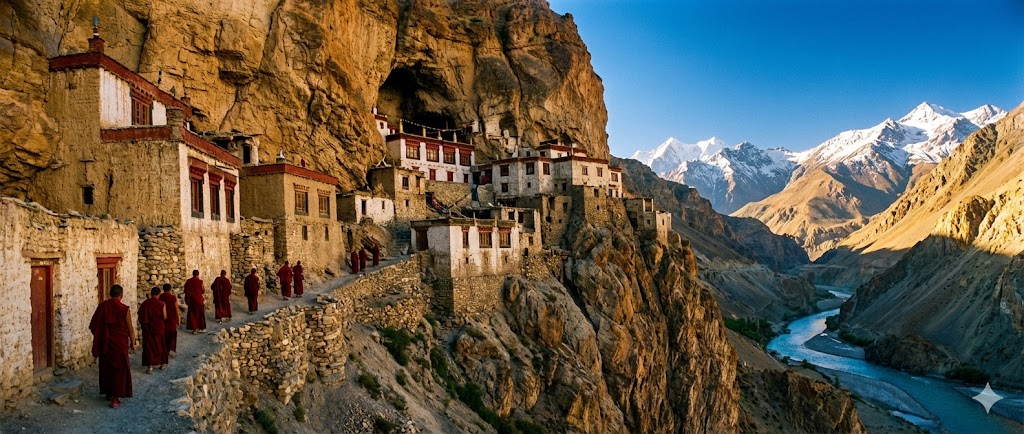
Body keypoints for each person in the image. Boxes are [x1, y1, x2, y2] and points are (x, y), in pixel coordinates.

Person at [89, 284, 136, 409]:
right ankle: (115, 398)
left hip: (106, 344)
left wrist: (102, 336)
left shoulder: (103, 307)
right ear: (121, 295)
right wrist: (133, 342)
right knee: (118, 370)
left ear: (110, 294)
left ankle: (108, 393)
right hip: (120, 344)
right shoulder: (125, 309)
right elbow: (130, 327)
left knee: (107, 368)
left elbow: (93, 325)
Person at [137, 287, 167, 373]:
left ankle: (150, 366)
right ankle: (162, 364)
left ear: (151, 293)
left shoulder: (145, 303)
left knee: (149, 346)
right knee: (160, 345)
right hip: (158, 327)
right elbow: (164, 317)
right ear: (159, 294)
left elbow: (140, 314)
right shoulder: (162, 304)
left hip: (147, 328)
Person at [158, 283, 179, 356]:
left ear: (163, 290)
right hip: (172, 318)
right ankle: (171, 349)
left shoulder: (160, 297)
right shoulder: (173, 298)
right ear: (170, 289)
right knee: (172, 334)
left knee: (165, 334)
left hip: (163, 319)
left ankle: (165, 350)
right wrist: (178, 319)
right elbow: (176, 308)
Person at [184, 270, 207, 334]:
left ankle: (194, 329)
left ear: (192, 274)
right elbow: (203, 290)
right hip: (199, 300)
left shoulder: (188, 281)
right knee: (200, 314)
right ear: (198, 274)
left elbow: (185, 290)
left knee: (192, 315)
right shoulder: (200, 282)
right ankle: (200, 327)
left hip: (191, 301)